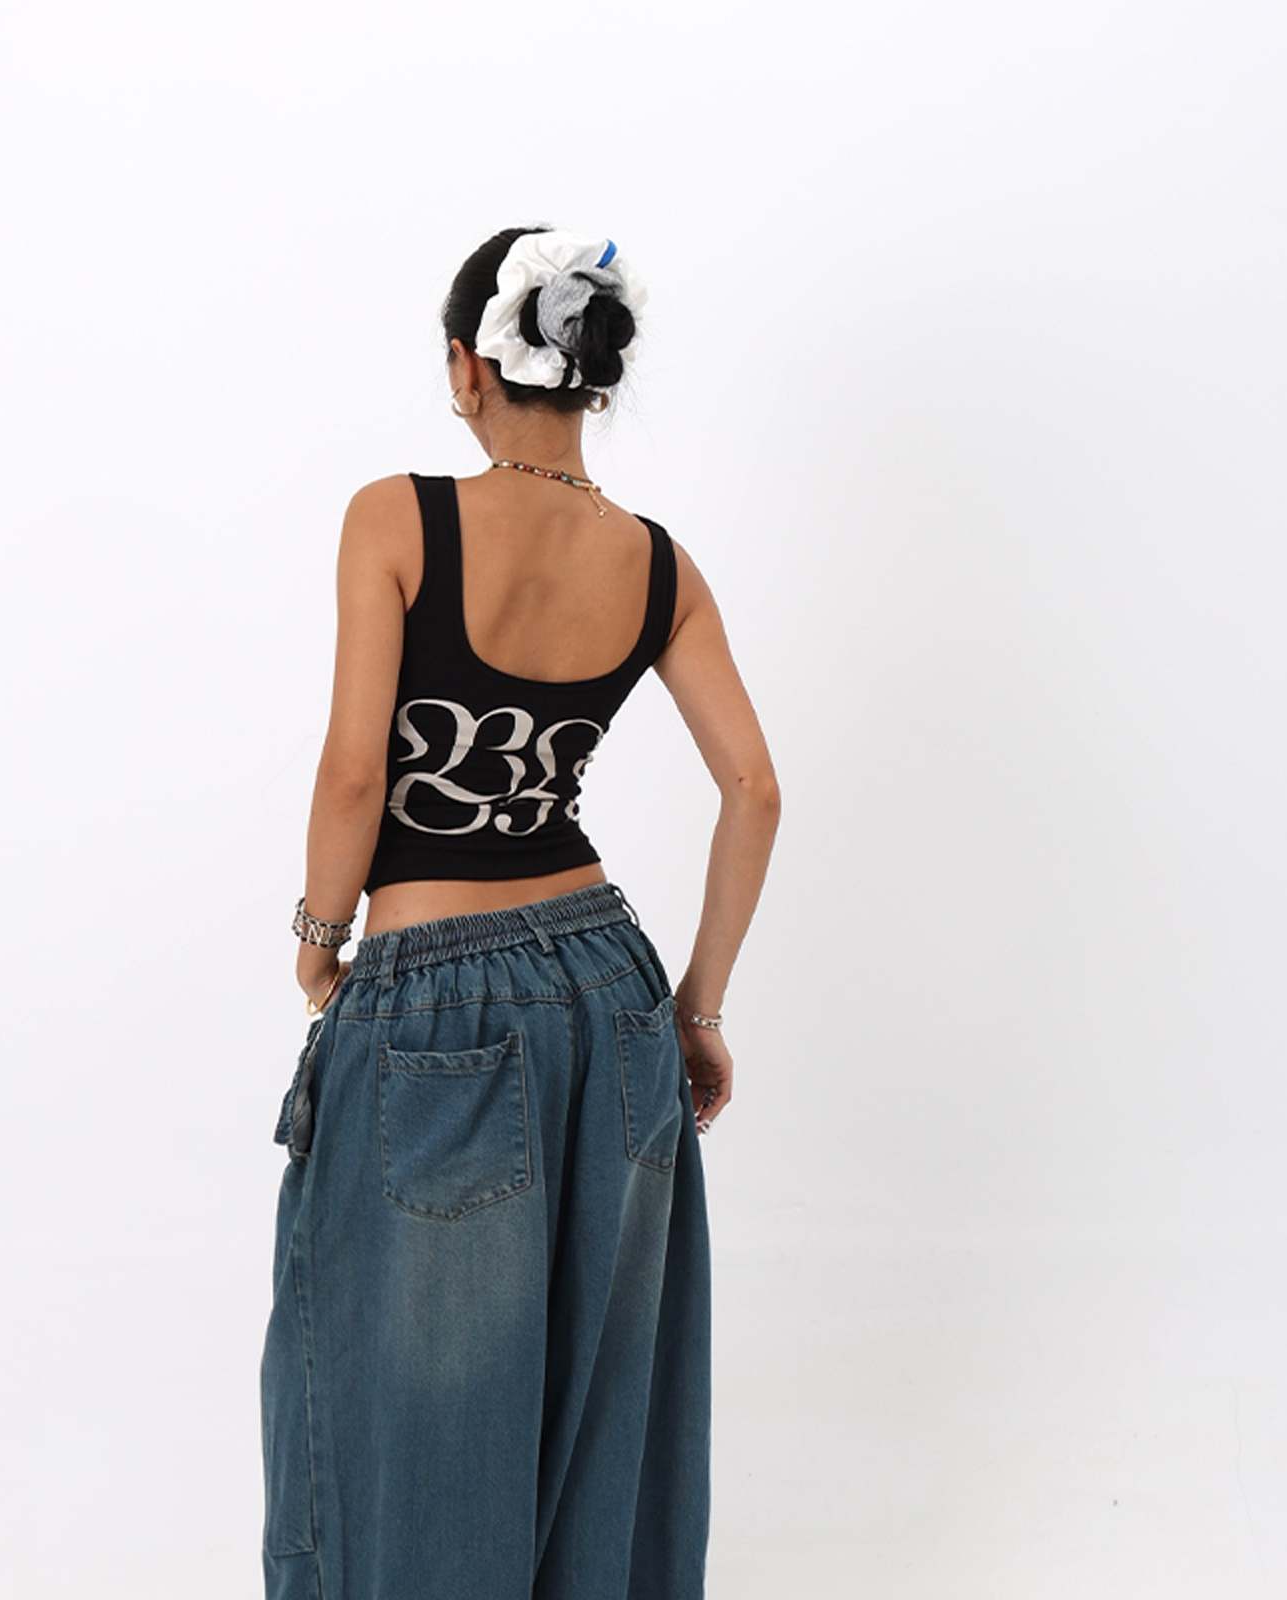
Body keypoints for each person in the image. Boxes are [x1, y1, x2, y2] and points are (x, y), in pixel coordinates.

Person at [260, 224, 781, 1600]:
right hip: (612, 988)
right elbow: (754, 789)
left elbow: (355, 771)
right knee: (601, 1411)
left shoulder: (398, 516)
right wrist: (698, 1008)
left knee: (405, 1418)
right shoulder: (659, 566)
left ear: (465, 366)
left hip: (430, 1002)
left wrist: (319, 940)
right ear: (593, 375)